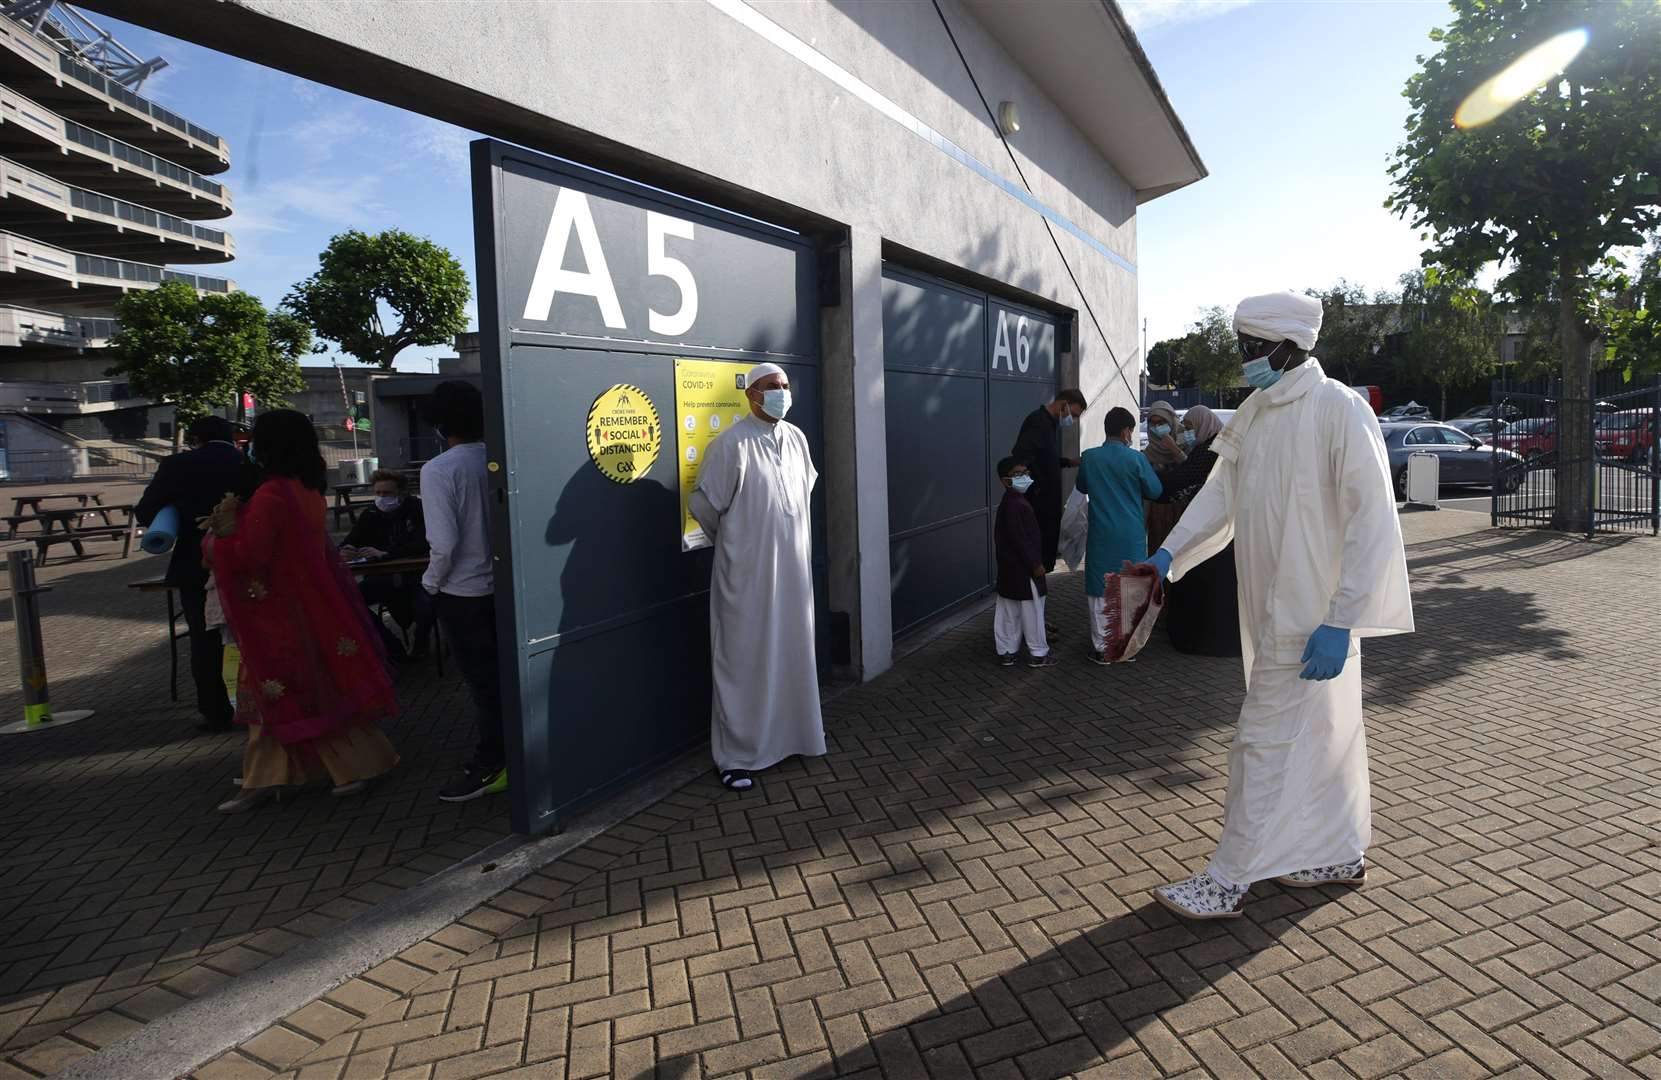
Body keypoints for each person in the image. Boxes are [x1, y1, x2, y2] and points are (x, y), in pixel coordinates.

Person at [1137, 291, 1413, 919]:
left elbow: (1375, 521)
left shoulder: (1340, 410)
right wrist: (1168, 556)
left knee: (1258, 743)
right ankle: (1339, 853)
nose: (1245, 361)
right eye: (1242, 348)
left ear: (1290, 348)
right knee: (1326, 734)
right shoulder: (1257, 411)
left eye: (1253, 349)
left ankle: (1228, 878)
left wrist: (1343, 621)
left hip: (1313, 617)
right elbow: (1220, 495)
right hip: (1269, 610)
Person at [202, 410, 400, 813]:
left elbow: (251, 554)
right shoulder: (308, 490)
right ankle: (347, 765)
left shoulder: (272, 493)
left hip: (279, 614)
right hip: (313, 605)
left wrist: (215, 540)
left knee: (277, 690)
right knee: (314, 689)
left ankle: (272, 778)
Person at [689, 361, 826, 792]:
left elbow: (800, 495)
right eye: (770, 387)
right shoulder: (730, 444)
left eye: (784, 386)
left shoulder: (797, 438)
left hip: (792, 575)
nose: (780, 393)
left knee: (791, 652)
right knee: (743, 660)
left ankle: (793, 739)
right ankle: (736, 757)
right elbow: (704, 506)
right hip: (746, 578)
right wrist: (741, 546)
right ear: (751, 394)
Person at [419, 381, 505, 804]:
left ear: (439, 423)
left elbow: (444, 543)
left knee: (482, 684)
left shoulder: (439, 470)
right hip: (503, 589)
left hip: (462, 594)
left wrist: (430, 584)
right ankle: (510, 756)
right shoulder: (499, 458)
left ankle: (491, 762)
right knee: (504, 678)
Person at [135, 415, 248, 733]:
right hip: (246, 558)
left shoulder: (177, 465)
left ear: (195, 438)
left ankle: (216, 710)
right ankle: (260, 700)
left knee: (204, 636)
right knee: (252, 629)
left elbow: (145, 510)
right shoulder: (247, 463)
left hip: (195, 561)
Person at [1073, 406, 1162, 664]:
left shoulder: (1089, 457)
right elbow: (1155, 491)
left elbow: (1081, 486)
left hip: (1102, 533)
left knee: (1100, 588)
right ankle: (1125, 647)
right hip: (1131, 533)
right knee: (1130, 587)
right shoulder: (1136, 459)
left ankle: (1102, 648)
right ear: (1126, 431)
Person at [1154, 405, 1240, 657]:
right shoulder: (1204, 447)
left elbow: (1185, 481)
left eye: (1191, 428)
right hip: (1205, 527)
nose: (1188, 433)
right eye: (1186, 428)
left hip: (1212, 529)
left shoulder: (1213, 449)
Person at [341, 469, 432, 660]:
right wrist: (346, 549)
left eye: (387, 493)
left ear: (401, 493)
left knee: (427, 604)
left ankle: (421, 645)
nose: (382, 498)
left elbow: (422, 543)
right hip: (382, 577)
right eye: (378, 493)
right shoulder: (371, 514)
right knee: (349, 601)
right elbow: (352, 538)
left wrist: (387, 554)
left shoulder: (417, 510)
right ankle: (391, 647)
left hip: (415, 576)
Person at [1010, 389, 1088, 573]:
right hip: (1038, 505)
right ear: (1063, 405)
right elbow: (1021, 459)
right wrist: (1031, 493)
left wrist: (1069, 462)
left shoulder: (1050, 424)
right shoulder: (1038, 422)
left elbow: (1045, 459)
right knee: (1037, 555)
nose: (1073, 420)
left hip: (1046, 502)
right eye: (1074, 415)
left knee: (1045, 556)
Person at [992, 457, 1054, 669]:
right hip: (1025, 571)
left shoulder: (1012, 502)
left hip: (1010, 570)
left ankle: (1007, 652)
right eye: (1018, 474)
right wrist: (1035, 564)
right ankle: (1038, 654)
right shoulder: (1016, 505)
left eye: (1026, 472)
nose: (1025, 477)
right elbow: (1020, 539)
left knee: (1009, 613)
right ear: (1005, 480)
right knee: (1032, 613)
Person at [1143, 400, 1188, 554]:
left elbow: (1192, 469)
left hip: (1183, 509)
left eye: (1161, 422)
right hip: (1158, 512)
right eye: (1152, 423)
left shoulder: (1186, 439)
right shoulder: (1149, 452)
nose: (1157, 427)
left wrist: (1174, 449)